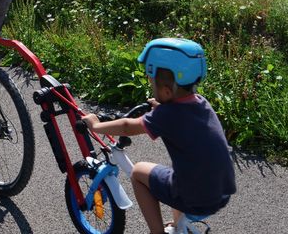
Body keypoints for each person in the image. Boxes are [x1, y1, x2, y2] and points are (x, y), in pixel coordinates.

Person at [82, 38, 236, 234]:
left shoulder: (167, 115)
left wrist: (96, 125)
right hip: (221, 192)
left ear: (166, 91)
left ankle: (157, 232)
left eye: (152, 83)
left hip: (195, 199)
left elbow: (128, 127)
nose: (152, 88)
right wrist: (162, 107)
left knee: (138, 173)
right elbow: (179, 116)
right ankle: (177, 225)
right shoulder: (200, 103)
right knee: (178, 171)